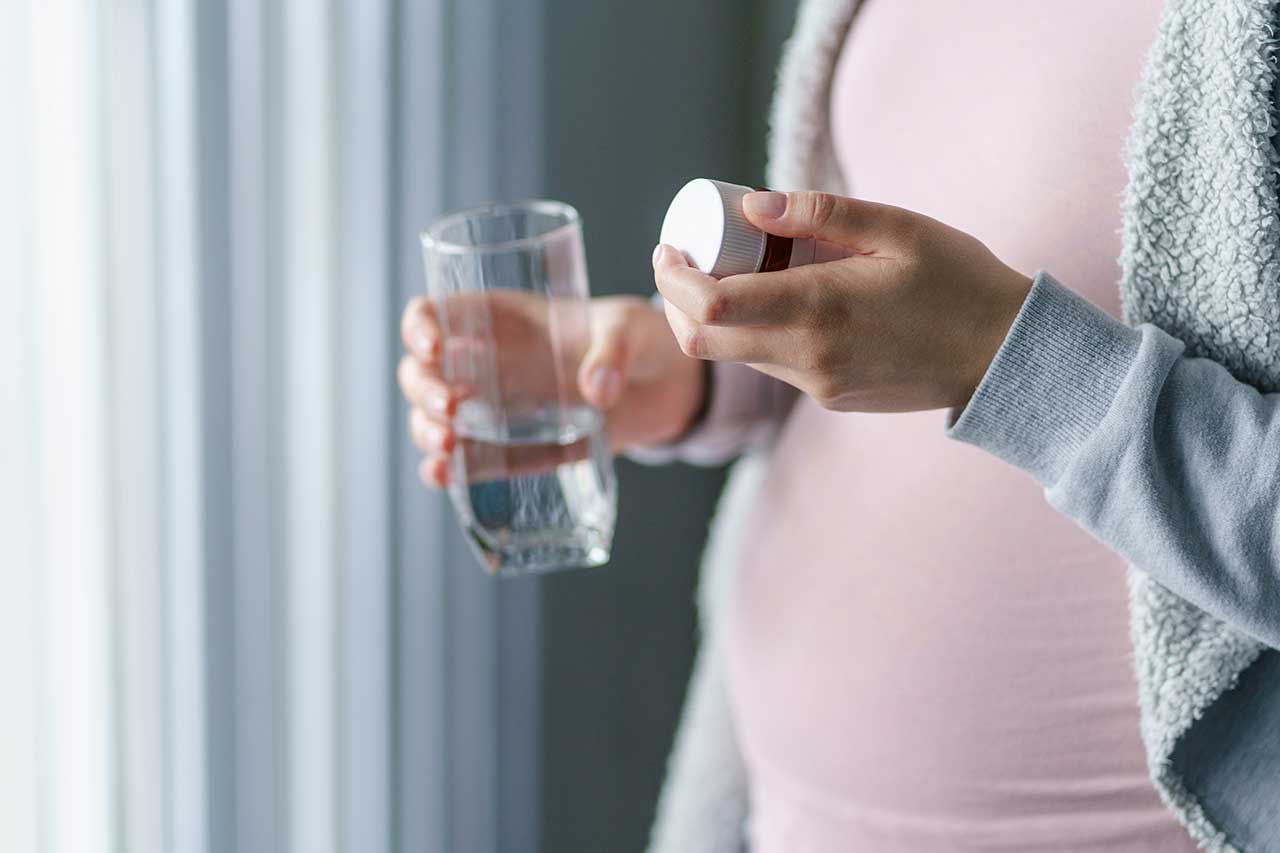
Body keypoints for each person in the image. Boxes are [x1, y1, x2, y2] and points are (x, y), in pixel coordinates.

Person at [398, 0, 1280, 849]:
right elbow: (882, 312)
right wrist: (696, 375)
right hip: (774, 810)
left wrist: (1004, 362)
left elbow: (969, 339)